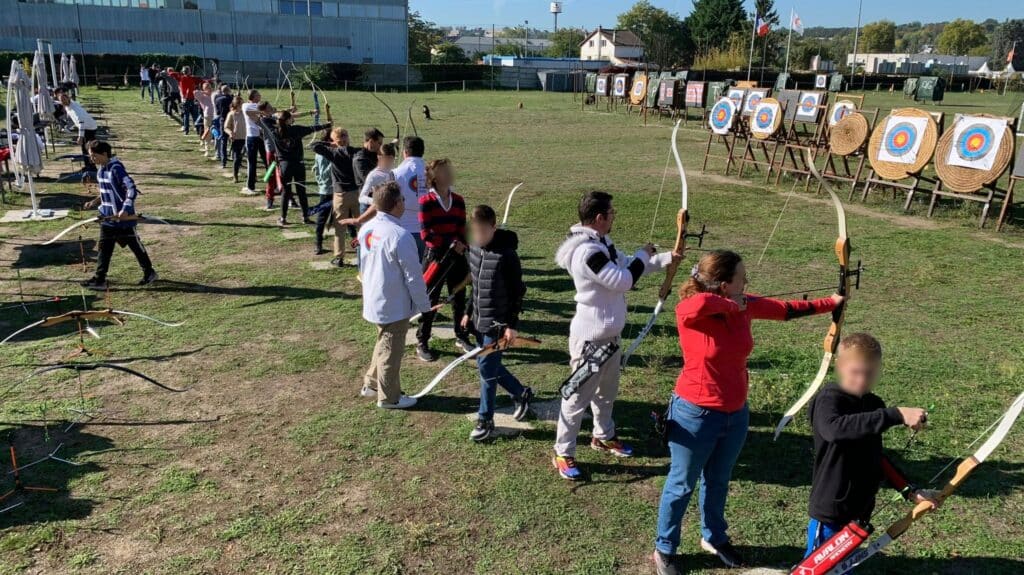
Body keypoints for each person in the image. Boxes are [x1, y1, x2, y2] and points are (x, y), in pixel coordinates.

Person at [652, 250, 842, 574]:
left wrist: (833, 302)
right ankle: (665, 548)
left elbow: (785, 310)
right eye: (742, 277)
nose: (747, 282)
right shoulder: (693, 311)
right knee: (681, 484)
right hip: (693, 414)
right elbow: (692, 305)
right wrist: (730, 305)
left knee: (718, 479)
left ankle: (713, 537)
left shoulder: (745, 304)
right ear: (725, 285)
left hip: (736, 413)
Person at [552, 191, 678, 481]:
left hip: (610, 338)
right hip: (590, 340)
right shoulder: (587, 252)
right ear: (599, 218)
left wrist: (667, 258)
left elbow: (628, 263)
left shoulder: (602, 244)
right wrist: (644, 255)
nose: (614, 217)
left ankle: (603, 435)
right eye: (611, 213)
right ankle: (563, 451)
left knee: (606, 393)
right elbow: (623, 280)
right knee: (577, 397)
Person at [801, 333, 937, 569]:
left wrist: (909, 490)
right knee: (816, 569)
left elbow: (877, 457)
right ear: (840, 366)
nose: (862, 379)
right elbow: (834, 430)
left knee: (843, 568)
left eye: (869, 372)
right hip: (830, 510)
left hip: (860, 510)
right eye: (855, 372)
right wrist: (896, 415)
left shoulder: (874, 405)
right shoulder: (829, 399)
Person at [462, 204, 533, 442]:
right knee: (487, 366)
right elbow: (475, 284)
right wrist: (467, 311)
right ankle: (520, 393)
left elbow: (517, 292)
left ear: (494, 227)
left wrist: (511, 325)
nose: (478, 236)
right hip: (478, 322)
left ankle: (485, 420)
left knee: (486, 371)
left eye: (483, 231)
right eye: (475, 231)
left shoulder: (507, 256)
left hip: (498, 325)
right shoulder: (473, 249)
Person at [358, 181, 431, 409]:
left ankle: (371, 384)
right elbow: (414, 277)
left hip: (375, 297)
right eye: (401, 199)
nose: (404, 202)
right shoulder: (400, 236)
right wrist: (424, 306)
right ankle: (389, 397)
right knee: (391, 349)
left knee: (383, 341)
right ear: (396, 203)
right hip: (392, 303)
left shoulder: (367, 228)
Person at [79, 140, 157, 290]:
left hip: (123, 220)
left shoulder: (116, 168)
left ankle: (149, 273)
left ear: (104, 154)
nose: (91, 159)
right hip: (107, 220)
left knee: (135, 246)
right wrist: (94, 201)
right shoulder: (101, 170)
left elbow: (131, 189)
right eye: (90, 156)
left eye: (94, 156)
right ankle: (100, 279)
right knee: (104, 249)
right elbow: (107, 192)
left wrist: (126, 208)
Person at [415, 158, 471, 362]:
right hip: (436, 258)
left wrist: (462, 244)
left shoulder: (458, 200)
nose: (448, 174)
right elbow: (426, 235)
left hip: (456, 257)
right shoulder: (425, 202)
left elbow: (462, 229)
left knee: (458, 298)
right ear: (433, 177)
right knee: (430, 300)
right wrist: (449, 243)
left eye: (449, 170)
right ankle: (422, 340)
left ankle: (461, 335)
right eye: (443, 171)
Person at [310, 127, 360, 266]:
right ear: (348, 138)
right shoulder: (356, 152)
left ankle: (339, 257)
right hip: (356, 194)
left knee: (340, 228)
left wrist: (332, 144)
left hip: (341, 195)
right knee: (361, 224)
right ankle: (365, 251)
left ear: (334, 141)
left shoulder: (333, 152)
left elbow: (313, 145)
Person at [273, 109, 331, 226]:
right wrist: (328, 125)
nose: (293, 119)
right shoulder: (296, 129)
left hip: (285, 166)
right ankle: (305, 217)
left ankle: (283, 218)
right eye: (291, 117)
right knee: (301, 192)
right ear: (288, 119)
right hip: (298, 165)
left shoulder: (274, 131)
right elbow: (313, 128)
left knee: (286, 192)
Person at [390, 136, 428, 259]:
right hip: (426, 229)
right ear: (422, 152)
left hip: (403, 228)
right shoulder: (432, 172)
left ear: (405, 152)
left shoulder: (395, 173)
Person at [58, 91, 98, 171]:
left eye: (64, 99)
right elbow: (73, 120)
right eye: (61, 100)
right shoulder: (68, 106)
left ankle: (92, 167)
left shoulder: (75, 109)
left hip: (89, 128)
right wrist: (67, 127)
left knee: (88, 148)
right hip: (86, 127)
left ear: (68, 98)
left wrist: (80, 137)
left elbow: (81, 123)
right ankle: (88, 165)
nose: (63, 101)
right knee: (84, 148)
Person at [310, 130, 334, 255]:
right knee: (322, 217)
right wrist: (334, 162)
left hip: (335, 189)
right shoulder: (324, 154)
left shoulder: (324, 152)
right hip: (327, 190)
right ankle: (318, 243)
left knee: (345, 215)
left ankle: (354, 239)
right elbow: (323, 174)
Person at [240, 89, 265, 195]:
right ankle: (250, 186)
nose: (260, 96)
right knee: (252, 162)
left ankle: (274, 184)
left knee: (268, 161)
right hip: (251, 137)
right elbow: (248, 112)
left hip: (262, 137)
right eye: (258, 94)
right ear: (254, 96)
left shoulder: (260, 106)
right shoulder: (246, 105)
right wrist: (263, 111)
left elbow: (272, 112)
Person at [168, 66, 204, 135]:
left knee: (186, 115)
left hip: (185, 99)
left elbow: (171, 73)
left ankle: (186, 130)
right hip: (192, 99)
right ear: (189, 72)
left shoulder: (181, 78)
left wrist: (180, 73)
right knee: (195, 115)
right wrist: (211, 79)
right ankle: (197, 130)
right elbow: (203, 80)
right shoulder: (192, 78)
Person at [223, 96, 247, 184]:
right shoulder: (231, 114)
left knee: (250, 158)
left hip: (247, 138)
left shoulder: (246, 113)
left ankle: (253, 175)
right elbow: (226, 127)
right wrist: (230, 133)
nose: (242, 105)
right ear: (236, 104)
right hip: (236, 139)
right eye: (240, 103)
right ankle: (235, 175)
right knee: (237, 158)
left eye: (243, 103)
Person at [213, 85, 233, 167]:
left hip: (222, 119)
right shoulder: (231, 99)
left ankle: (223, 161)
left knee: (223, 140)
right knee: (234, 139)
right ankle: (234, 157)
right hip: (232, 120)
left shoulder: (217, 99)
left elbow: (217, 112)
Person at [196, 82, 215, 157]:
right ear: (203, 88)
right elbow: (195, 92)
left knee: (216, 133)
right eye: (207, 87)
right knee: (208, 133)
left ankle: (217, 150)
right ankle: (207, 150)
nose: (209, 88)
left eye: (209, 87)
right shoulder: (202, 96)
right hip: (207, 116)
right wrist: (205, 92)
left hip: (216, 115)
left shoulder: (213, 94)